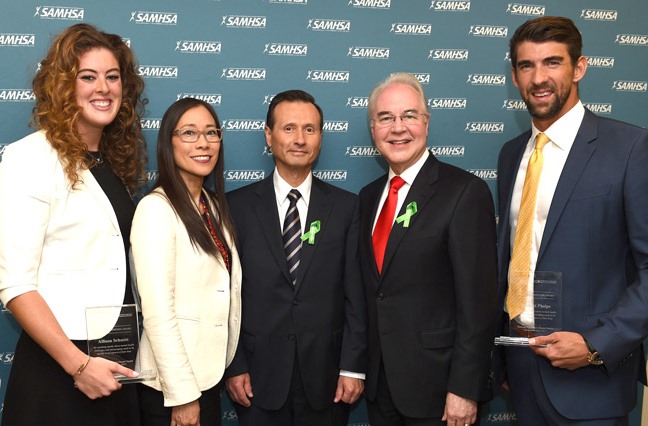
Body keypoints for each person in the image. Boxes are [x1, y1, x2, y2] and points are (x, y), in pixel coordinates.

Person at [495, 16, 648, 425]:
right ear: (514, 76)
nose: (538, 77)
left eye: (552, 63)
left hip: (591, 381)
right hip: (522, 372)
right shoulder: (512, 154)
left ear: (579, 67)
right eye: (526, 66)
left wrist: (597, 345)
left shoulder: (630, 148)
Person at [0, 23, 146, 425]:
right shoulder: (28, 158)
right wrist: (79, 366)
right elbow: (16, 285)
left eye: (113, 77)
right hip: (61, 370)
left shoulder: (110, 164)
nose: (104, 87)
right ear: (63, 86)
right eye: (88, 77)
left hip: (114, 363)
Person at [358, 72, 498, 426]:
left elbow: (479, 304)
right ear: (373, 129)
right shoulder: (367, 198)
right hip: (381, 388)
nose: (398, 128)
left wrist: (465, 389)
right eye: (385, 118)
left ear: (426, 122)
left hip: (440, 392)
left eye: (409, 116)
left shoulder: (464, 192)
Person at [224, 89, 366, 426]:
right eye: (288, 128)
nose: (299, 139)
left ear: (320, 137)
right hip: (257, 380)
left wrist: (352, 366)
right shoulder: (234, 207)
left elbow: (356, 296)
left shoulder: (347, 208)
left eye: (310, 129)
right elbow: (224, 296)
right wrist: (235, 364)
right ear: (269, 136)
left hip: (329, 380)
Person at [130, 97, 241, 426]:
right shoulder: (156, 210)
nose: (203, 143)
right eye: (189, 133)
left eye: (211, 132)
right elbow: (158, 312)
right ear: (169, 142)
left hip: (207, 378)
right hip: (173, 389)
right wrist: (183, 396)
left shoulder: (212, 205)